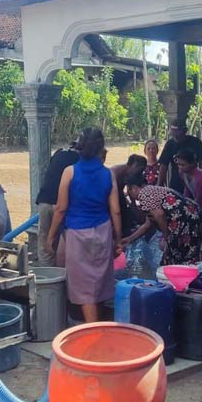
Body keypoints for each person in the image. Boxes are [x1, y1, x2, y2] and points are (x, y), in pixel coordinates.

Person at [46, 127, 121, 322]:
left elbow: (61, 209)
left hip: (78, 234)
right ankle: (98, 327)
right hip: (103, 231)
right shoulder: (108, 174)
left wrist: (51, 237)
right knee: (99, 280)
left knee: (84, 286)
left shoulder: (70, 172)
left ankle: (93, 333)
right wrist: (118, 239)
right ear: (100, 149)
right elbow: (115, 210)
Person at [122, 173, 202, 265]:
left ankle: (179, 275)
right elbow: (147, 224)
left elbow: (159, 215)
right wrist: (129, 239)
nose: (128, 193)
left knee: (177, 254)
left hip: (185, 219)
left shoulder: (144, 194)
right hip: (192, 216)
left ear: (134, 188)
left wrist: (166, 237)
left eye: (128, 190)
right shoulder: (151, 191)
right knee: (184, 253)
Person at [35, 139, 80, 266]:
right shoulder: (80, 161)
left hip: (44, 201)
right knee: (70, 243)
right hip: (62, 205)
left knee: (45, 244)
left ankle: (46, 277)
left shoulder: (59, 153)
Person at [159, 119, 202, 192]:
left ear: (184, 132)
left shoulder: (196, 142)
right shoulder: (170, 144)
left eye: (178, 135)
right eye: (173, 135)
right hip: (176, 183)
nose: (175, 137)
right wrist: (160, 183)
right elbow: (163, 165)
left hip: (193, 182)